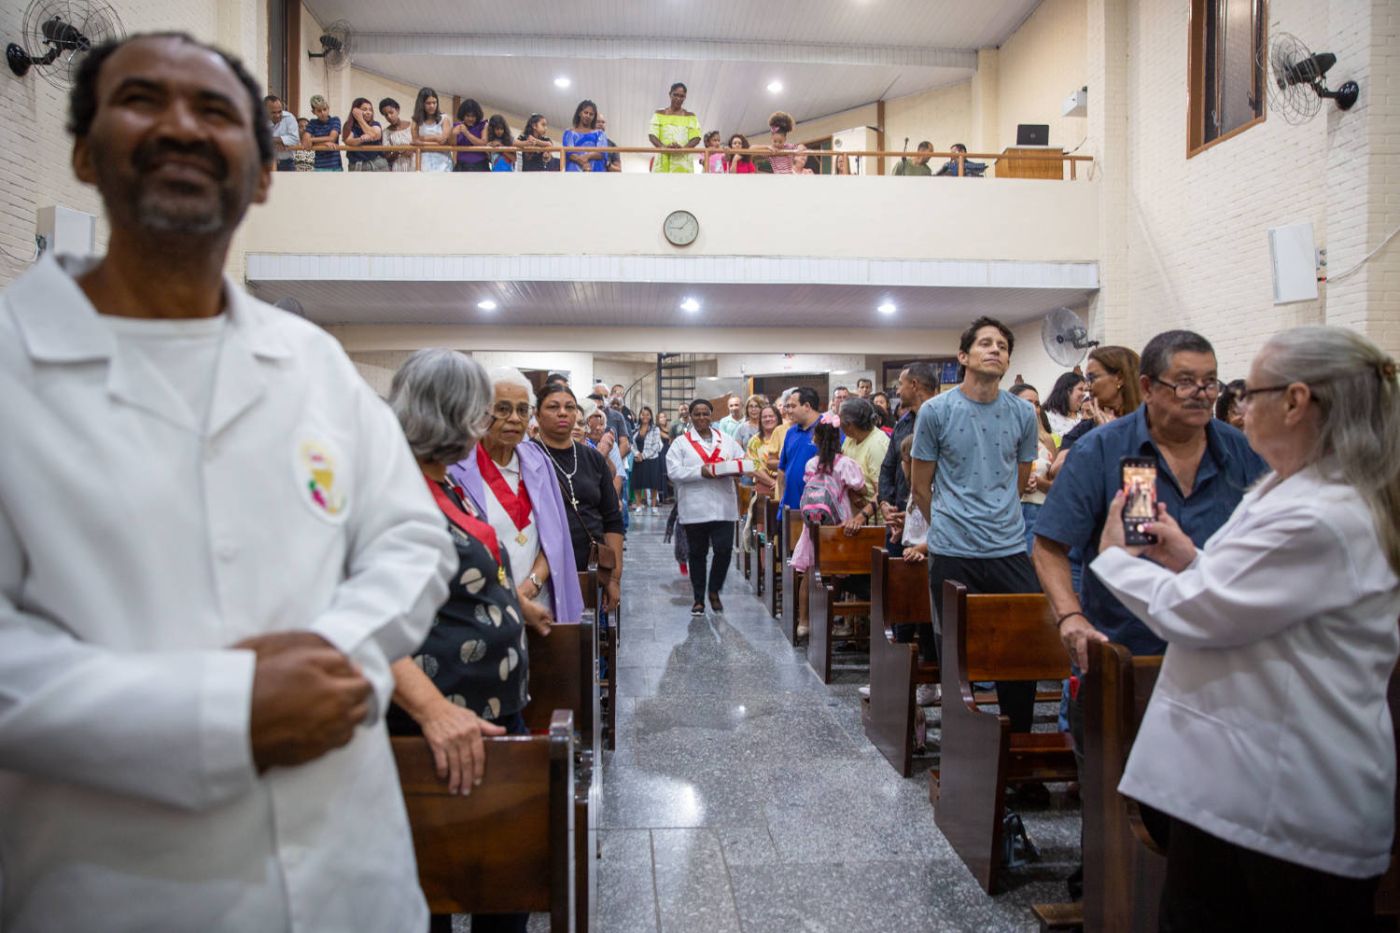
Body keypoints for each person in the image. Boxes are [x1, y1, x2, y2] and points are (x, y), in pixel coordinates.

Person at [0, 33, 456, 931]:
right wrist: (219, 711)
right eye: (142, 101)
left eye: (215, 113)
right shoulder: (14, 364)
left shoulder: (315, 364)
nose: (182, 126)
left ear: (261, 176)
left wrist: (332, 650)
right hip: (114, 884)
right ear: (85, 151)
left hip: (348, 874)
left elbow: (412, 542)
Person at [1091, 327, 1400, 929]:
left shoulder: (1321, 510)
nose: (1233, 404)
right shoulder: (1293, 486)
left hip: (1282, 801)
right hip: (1240, 787)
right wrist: (1187, 556)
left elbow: (1199, 615)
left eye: (1246, 391)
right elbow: (1258, 606)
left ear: (1296, 401)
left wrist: (1114, 559)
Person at [383, 351, 541, 933]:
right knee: (446, 881)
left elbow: (461, 569)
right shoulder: (396, 494)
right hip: (441, 722)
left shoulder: (444, 479)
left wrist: (512, 603)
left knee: (500, 876)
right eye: (481, 410)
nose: (489, 423)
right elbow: (368, 622)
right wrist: (434, 713)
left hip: (489, 709)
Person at [1033, 330, 1268, 666]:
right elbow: (1048, 546)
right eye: (1185, 383)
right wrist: (1070, 617)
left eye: (1210, 382)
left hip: (1219, 650)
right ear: (1147, 388)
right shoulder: (1102, 450)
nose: (1202, 395)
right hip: (1123, 649)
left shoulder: (1239, 450)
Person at [909, 316, 1040, 728]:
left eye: (1002, 345)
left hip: (1008, 547)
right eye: (986, 343)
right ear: (963, 356)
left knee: (1020, 653)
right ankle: (962, 748)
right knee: (957, 656)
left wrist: (993, 516)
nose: (995, 350)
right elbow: (920, 487)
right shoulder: (936, 411)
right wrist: (950, 524)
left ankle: (1013, 744)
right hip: (953, 551)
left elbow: (1018, 482)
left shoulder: (1023, 413)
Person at [448, 367, 583, 623]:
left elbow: (554, 538)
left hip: (540, 607)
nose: (514, 418)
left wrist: (531, 585)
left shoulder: (538, 462)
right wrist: (513, 600)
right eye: (502, 409)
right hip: (483, 614)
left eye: (522, 410)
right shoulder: (456, 469)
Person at [532, 385, 624, 611]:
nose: (563, 412)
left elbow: (612, 519)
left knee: (585, 637)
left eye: (569, 407)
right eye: (553, 407)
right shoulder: (527, 456)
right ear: (537, 415)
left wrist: (614, 579)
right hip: (541, 569)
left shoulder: (593, 458)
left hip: (590, 567)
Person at [666, 398, 749, 615]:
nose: (701, 417)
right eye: (697, 414)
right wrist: (699, 472)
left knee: (723, 550)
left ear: (711, 415)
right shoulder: (680, 443)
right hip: (694, 507)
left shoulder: (727, 440)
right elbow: (674, 472)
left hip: (724, 506)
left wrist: (738, 469)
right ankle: (698, 599)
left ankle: (714, 589)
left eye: (705, 413)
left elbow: (742, 460)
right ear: (690, 417)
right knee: (697, 554)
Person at [879, 363, 939, 556]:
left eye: (900, 384)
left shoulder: (944, 419)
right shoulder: (902, 425)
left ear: (914, 385)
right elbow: (888, 467)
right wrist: (885, 503)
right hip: (903, 514)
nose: (897, 390)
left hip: (936, 518)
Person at [1009, 383, 1057, 553]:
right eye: (1028, 402)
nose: (1034, 408)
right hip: (1011, 512)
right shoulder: (1002, 438)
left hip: (1040, 511)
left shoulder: (1046, 440)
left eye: (1037, 404)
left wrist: (1039, 482)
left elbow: (1057, 487)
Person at [839, 397, 889, 521]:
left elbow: (882, 491)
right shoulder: (850, 438)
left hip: (872, 522)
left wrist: (861, 517)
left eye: (839, 418)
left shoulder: (877, 445)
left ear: (849, 425)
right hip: (853, 517)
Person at [777, 386, 823, 512]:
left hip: (817, 509)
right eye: (787, 407)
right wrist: (782, 500)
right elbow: (782, 469)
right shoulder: (791, 432)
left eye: (793, 406)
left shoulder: (827, 429)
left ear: (807, 406)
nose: (788, 411)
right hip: (789, 507)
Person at [648, 81, 701, 173]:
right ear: (670, 94)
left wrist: (683, 149)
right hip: (662, 162)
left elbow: (696, 138)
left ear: (685, 97)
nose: (678, 98)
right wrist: (664, 147)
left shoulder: (691, 116)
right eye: (675, 95)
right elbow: (652, 135)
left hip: (683, 163)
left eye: (681, 96)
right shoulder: (659, 114)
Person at [746, 402, 784, 497]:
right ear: (760, 420)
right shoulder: (754, 441)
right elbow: (753, 467)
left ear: (778, 418)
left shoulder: (787, 436)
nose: (768, 419)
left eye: (771, 416)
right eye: (764, 417)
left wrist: (780, 483)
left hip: (786, 483)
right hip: (764, 485)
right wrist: (772, 482)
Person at [630, 406, 665, 510]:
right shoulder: (635, 428)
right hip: (638, 458)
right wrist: (637, 454)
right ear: (640, 415)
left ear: (650, 416)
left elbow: (656, 446)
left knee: (653, 483)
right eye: (642, 414)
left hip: (651, 459)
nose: (645, 416)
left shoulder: (655, 429)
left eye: (647, 414)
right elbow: (631, 443)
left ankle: (654, 506)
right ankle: (639, 505)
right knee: (637, 483)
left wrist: (643, 456)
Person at [412, 86, 453, 173]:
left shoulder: (444, 119)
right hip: (423, 163)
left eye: (434, 102)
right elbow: (415, 142)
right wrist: (435, 138)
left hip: (443, 163)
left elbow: (444, 141)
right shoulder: (416, 121)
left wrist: (422, 140)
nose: (432, 106)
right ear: (421, 104)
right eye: (428, 103)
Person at [342, 96, 386, 172]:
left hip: (377, 163)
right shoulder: (349, 125)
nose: (369, 112)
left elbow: (375, 135)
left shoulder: (375, 124)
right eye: (364, 109)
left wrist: (360, 120)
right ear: (355, 111)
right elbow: (348, 141)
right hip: (357, 165)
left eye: (370, 110)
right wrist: (361, 139)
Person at [563, 99, 607, 173]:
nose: (588, 116)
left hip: (595, 174)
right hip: (574, 174)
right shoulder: (569, 132)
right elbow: (569, 152)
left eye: (591, 114)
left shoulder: (600, 133)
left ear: (594, 117)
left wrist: (586, 157)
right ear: (580, 113)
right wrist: (583, 163)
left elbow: (602, 152)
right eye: (585, 112)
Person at [302, 93, 342, 171]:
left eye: (324, 109)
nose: (323, 113)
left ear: (328, 108)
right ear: (313, 112)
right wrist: (324, 143)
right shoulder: (312, 122)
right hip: (319, 165)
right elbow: (305, 141)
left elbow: (332, 138)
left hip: (335, 164)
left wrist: (312, 139)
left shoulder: (335, 120)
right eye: (319, 111)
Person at [1043, 371, 1087, 436]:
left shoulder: (1083, 415)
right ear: (1067, 391)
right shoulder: (1047, 417)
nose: (1084, 394)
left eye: (1084, 390)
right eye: (1080, 389)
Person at [379, 97, 415, 172]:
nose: (389, 116)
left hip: (414, 163)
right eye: (386, 115)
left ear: (397, 110)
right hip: (398, 166)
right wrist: (399, 151)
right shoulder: (386, 132)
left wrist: (410, 148)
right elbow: (387, 157)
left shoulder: (412, 126)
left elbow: (419, 145)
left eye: (391, 112)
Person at [264, 93, 299, 171]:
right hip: (265, 163)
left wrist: (271, 140)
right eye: (273, 112)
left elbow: (295, 139)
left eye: (279, 112)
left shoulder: (289, 118)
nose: (277, 115)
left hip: (286, 163)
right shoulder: (258, 120)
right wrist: (281, 141)